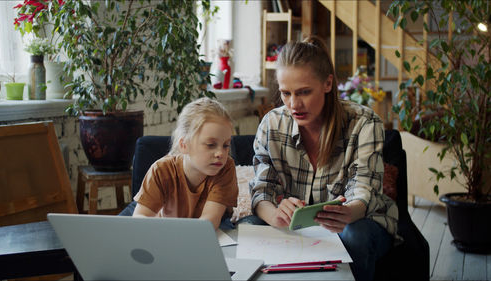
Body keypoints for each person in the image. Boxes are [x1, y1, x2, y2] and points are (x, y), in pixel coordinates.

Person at [248, 36, 400, 280]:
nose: (294, 104)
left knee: (353, 234)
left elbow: (364, 190)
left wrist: (348, 213)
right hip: (296, 226)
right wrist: (273, 215)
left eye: (304, 92)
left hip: (359, 222)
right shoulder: (272, 124)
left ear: (328, 83)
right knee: (249, 227)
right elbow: (262, 190)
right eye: (285, 93)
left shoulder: (363, 122)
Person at [133, 97, 238, 230]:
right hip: (168, 232)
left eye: (226, 145)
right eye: (211, 145)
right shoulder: (161, 170)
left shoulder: (226, 168)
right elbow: (140, 217)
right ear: (184, 145)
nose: (221, 154)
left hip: (212, 230)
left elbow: (209, 222)